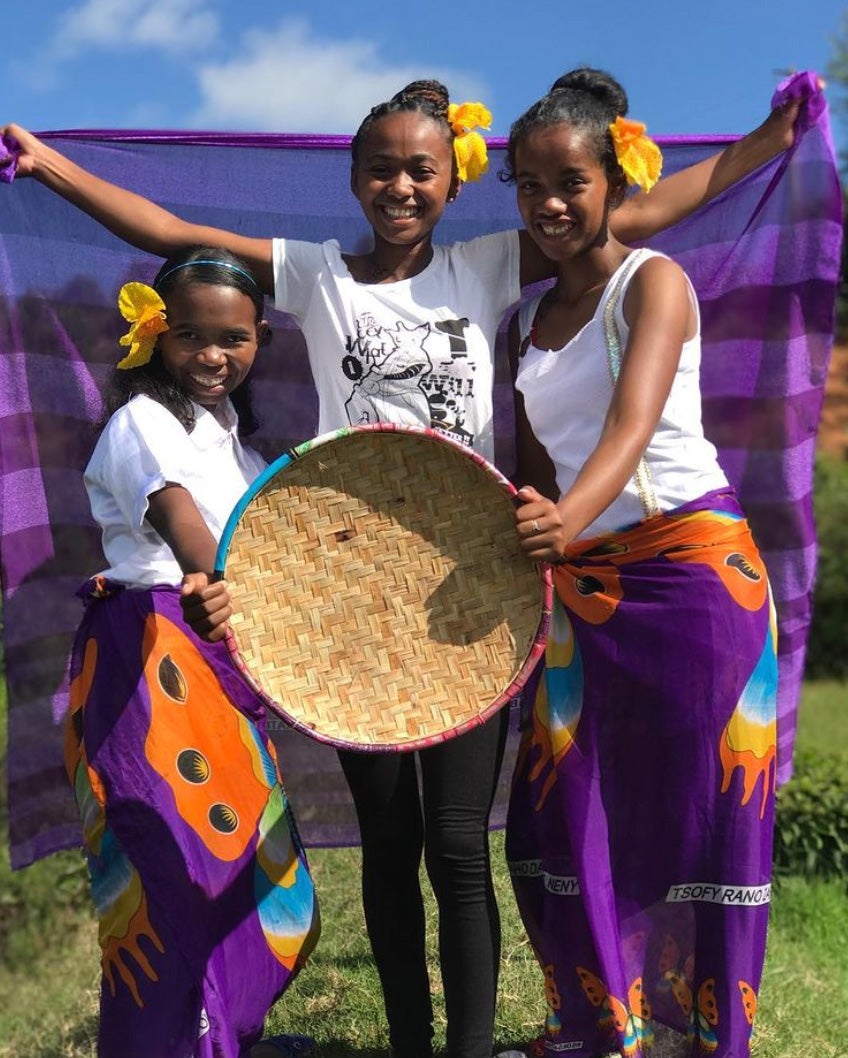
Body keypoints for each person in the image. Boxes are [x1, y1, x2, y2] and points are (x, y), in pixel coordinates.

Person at [0, 82, 796, 1058]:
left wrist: (765, 141)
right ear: (352, 180)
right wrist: (51, 168)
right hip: (352, 596)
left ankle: (466, 1047)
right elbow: (169, 225)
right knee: (389, 845)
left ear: (455, 178)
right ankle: (410, 1043)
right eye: (379, 167)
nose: (400, 184)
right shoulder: (315, 276)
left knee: (459, 841)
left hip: (469, 585)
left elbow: (633, 208)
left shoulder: (488, 264)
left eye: (422, 167)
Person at [505, 69, 777, 1058]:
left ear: (613, 182)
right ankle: (597, 1023)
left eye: (567, 181)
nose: (546, 204)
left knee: (699, 815)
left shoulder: (651, 281)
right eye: (527, 185)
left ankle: (701, 1035)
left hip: (692, 581)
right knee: (554, 818)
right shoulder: (522, 323)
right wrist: (533, 538)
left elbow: (627, 430)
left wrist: (559, 523)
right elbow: (533, 478)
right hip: (581, 589)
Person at [64, 245, 320, 1058]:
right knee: (169, 874)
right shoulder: (141, 421)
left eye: (234, 339)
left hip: (211, 659)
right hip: (151, 660)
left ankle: (229, 1033)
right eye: (191, 336)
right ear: (153, 338)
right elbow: (180, 520)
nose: (214, 355)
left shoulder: (236, 443)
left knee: (251, 864)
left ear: (259, 343)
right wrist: (208, 577)